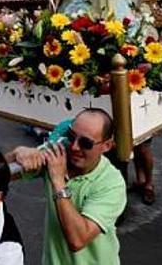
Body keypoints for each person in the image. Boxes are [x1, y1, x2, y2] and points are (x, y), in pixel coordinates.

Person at [7, 108, 126, 265]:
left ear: (106, 146)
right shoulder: (59, 152)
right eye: (71, 136)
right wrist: (16, 154)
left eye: (85, 143)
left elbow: (77, 240)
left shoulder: (112, 182)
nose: (75, 147)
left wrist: (58, 181)